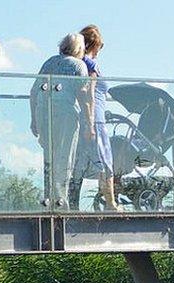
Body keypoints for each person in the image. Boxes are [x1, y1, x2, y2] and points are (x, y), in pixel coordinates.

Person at [29, 33, 90, 208]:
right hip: (65, 113)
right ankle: (61, 201)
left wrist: (34, 119)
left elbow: (34, 91)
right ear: (79, 48)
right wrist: (88, 121)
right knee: (65, 156)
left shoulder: (49, 62)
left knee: (49, 157)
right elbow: (83, 95)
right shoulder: (79, 65)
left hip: (44, 112)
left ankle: (49, 199)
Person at [69, 25, 119, 211]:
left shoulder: (76, 64)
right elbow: (89, 91)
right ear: (94, 44)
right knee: (105, 159)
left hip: (80, 118)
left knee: (79, 163)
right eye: (100, 45)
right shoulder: (90, 65)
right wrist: (91, 122)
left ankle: (72, 204)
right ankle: (111, 203)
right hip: (94, 119)